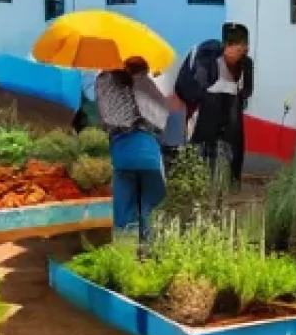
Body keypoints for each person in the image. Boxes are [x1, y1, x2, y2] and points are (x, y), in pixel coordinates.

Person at [95, 57, 170, 246]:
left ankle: (125, 253)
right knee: (150, 206)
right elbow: (162, 118)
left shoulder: (105, 83)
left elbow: (104, 120)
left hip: (122, 154)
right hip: (149, 155)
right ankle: (148, 252)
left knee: (124, 208)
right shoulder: (146, 86)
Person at [174, 22, 254, 188]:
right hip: (206, 113)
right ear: (227, 47)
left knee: (232, 152)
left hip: (231, 114)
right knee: (201, 153)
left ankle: (230, 185)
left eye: (245, 49)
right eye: (239, 49)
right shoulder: (208, 60)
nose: (242, 53)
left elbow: (246, 90)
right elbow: (194, 89)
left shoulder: (246, 65)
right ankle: (196, 186)